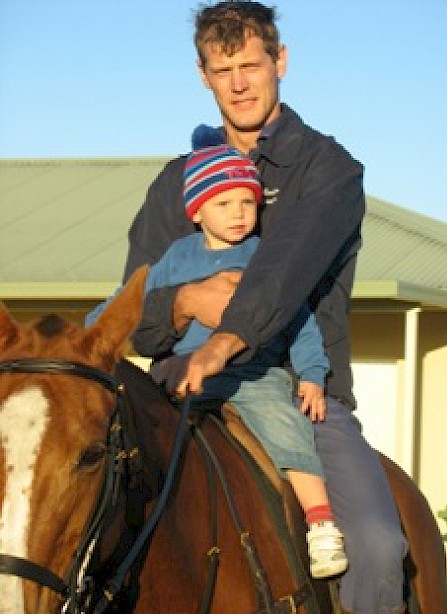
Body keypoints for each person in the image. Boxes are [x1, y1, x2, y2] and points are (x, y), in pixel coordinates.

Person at [121, 2, 408, 612]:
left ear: (280, 61)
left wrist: (225, 340)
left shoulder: (329, 171)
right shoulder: (176, 184)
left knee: (380, 547)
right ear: (204, 75)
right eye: (223, 70)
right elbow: (139, 315)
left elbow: (284, 274)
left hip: (302, 396)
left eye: (252, 64)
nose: (240, 83)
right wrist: (184, 304)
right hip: (183, 392)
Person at [87, 144, 348, 578]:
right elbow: (131, 300)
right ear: (197, 212)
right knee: (139, 431)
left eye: (248, 201)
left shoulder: (263, 258)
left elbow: (298, 319)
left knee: (286, 427)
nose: (239, 212)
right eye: (224, 203)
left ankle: (320, 523)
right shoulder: (177, 258)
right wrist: (91, 331)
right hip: (181, 373)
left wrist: (313, 375)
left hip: (251, 374)